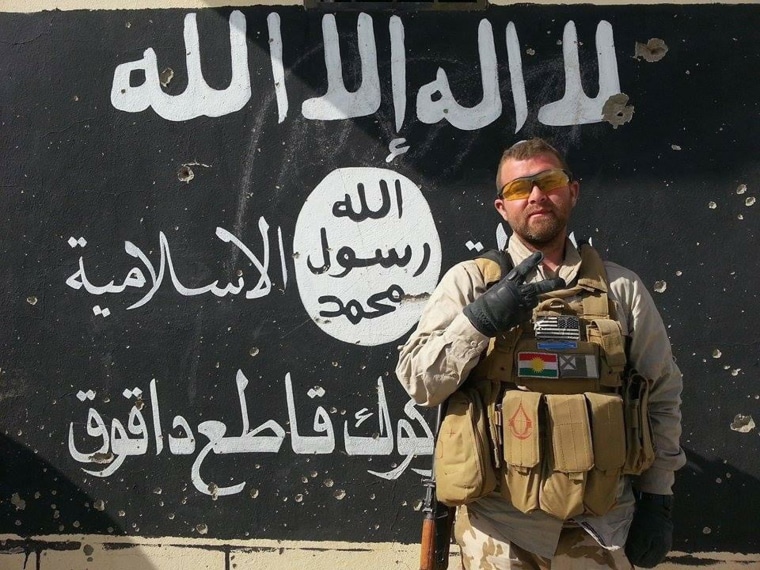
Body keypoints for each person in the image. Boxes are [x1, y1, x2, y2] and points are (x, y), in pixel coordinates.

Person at [396, 138, 685, 569]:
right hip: (499, 530)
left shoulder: (621, 290)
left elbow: (660, 392)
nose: (535, 195)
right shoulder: (471, 284)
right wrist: (479, 322)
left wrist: (658, 496)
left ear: (572, 191)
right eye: (518, 189)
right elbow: (420, 382)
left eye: (549, 181)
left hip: (600, 527)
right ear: (501, 207)